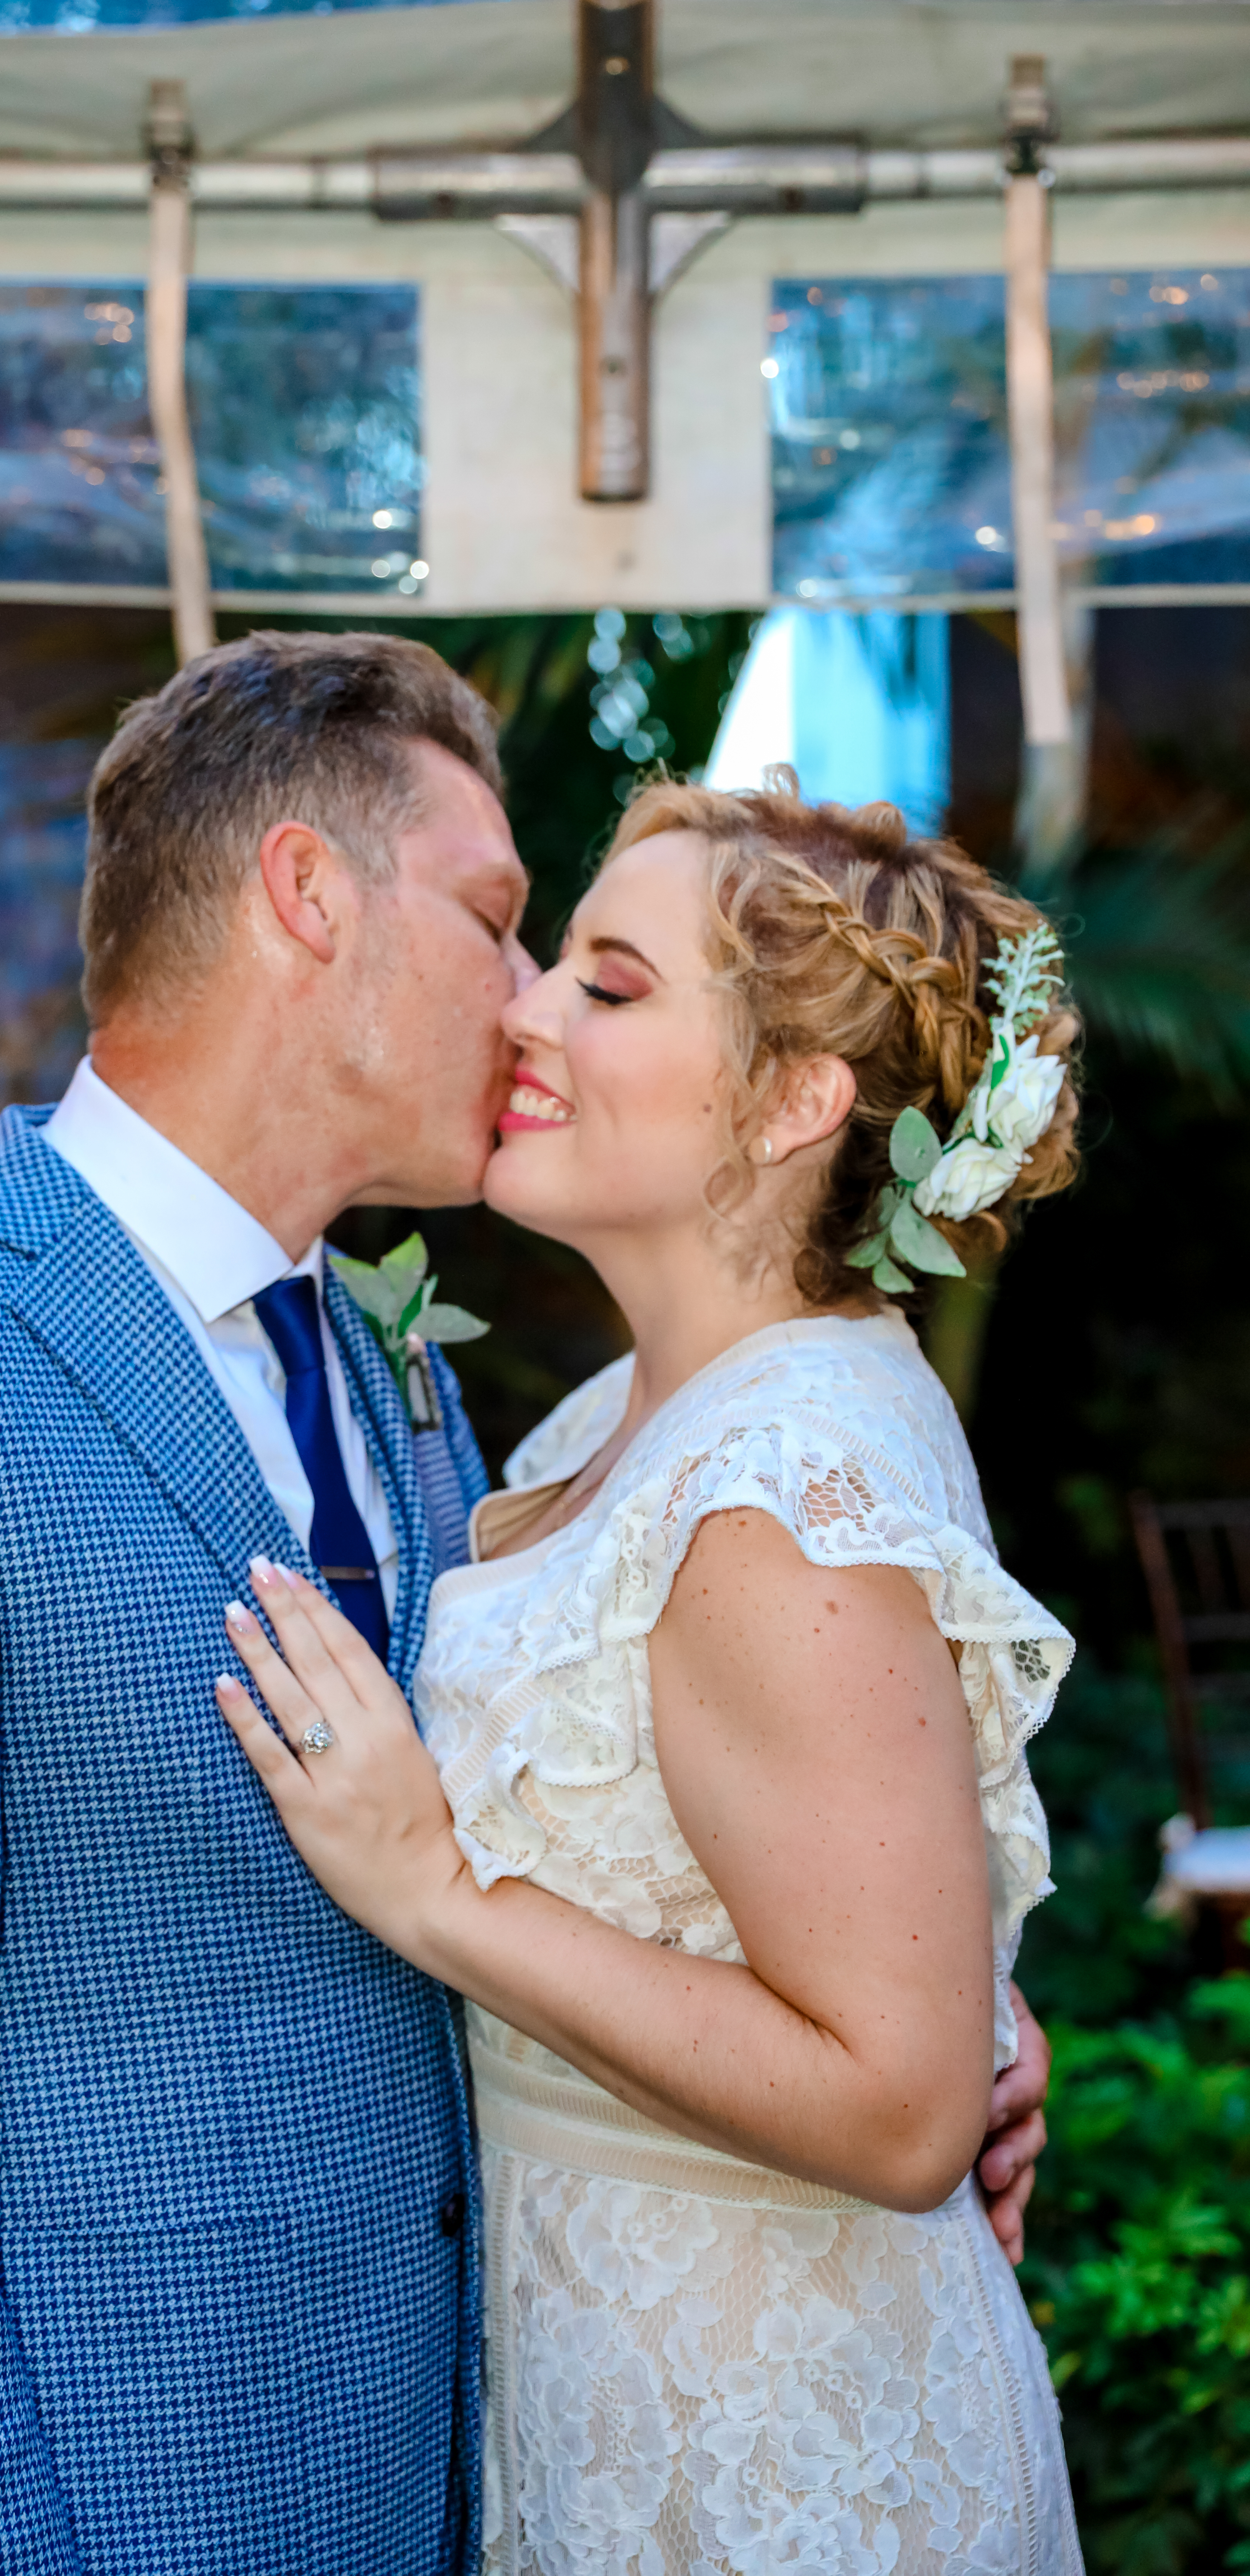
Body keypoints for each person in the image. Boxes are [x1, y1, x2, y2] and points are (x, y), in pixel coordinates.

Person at [0, 637, 1050, 2576]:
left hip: (461, 2474)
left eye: (581, 964)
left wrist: (935, 2002)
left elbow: (639, 1799)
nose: (525, 999)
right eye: (495, 921)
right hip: (99, 2509)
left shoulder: (407, 1388)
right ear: (308, 895)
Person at [213, 779, 1084, 2571]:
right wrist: (979, 1985)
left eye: (608, 986)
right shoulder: (638, 1414)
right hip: (606, 2386)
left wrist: (438, 1895)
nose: (523, 1006)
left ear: (788, 1103)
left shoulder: (775, 1501)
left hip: (772, 2461)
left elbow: (905, 2108)